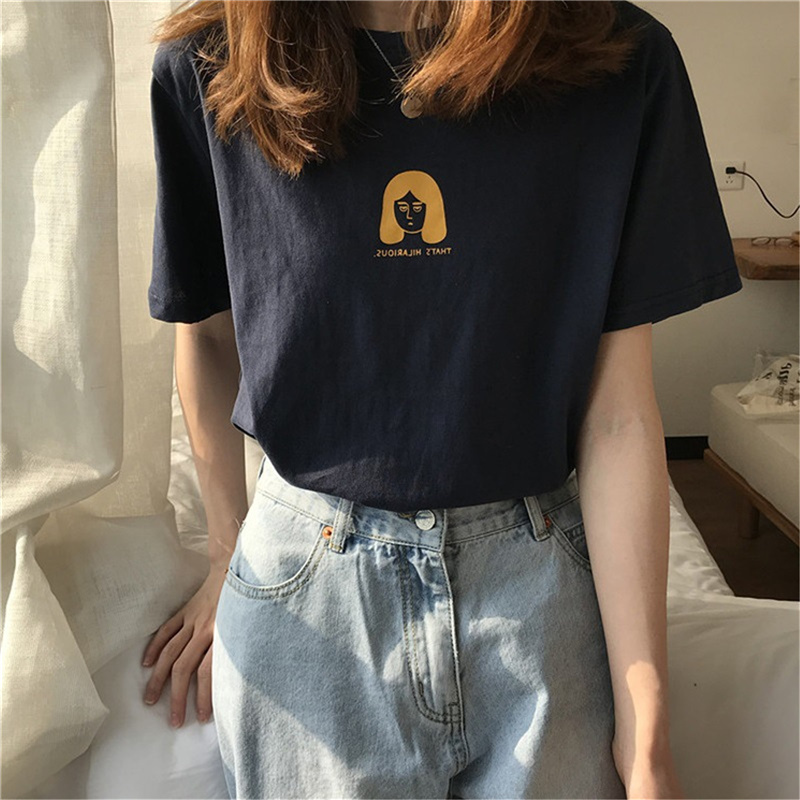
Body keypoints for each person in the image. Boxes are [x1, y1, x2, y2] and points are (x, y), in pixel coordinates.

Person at [142, 0, 743, 797]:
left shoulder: (616, 58)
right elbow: (209, 336)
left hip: (541, 594)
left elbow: (619, 415)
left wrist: (647, 726)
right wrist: (227, 556)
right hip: (305, 592)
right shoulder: (211, 64)